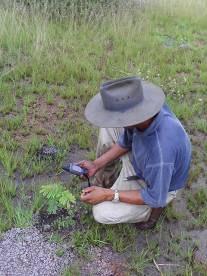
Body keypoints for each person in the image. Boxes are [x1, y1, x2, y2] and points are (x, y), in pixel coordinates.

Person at [79, 76, 191, 230]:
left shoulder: (160, 152)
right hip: (143, 161)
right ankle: (105, 180)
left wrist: (109, 195)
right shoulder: (145, 112)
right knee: (108, 127)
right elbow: (126, 140)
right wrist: (96, 164)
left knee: (101, 212)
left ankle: (149, 214)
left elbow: (155, 197)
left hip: (158, 186)